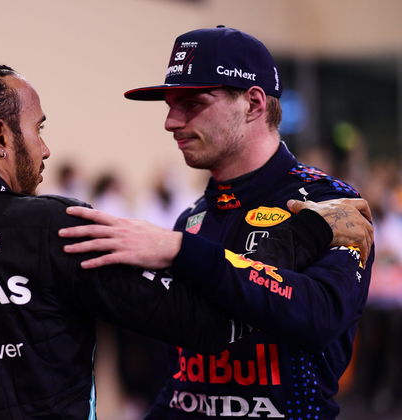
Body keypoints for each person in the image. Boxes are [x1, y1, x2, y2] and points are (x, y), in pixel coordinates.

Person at [0, 62, 370, 420]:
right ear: (0, 137)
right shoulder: (53, 228)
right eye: (38, 128)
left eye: (191, 102)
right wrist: (303, 236)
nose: (44, 151)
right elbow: (212, 325)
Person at [59, 27, 375, 419]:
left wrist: (180, 251)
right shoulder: (191, 218)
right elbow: (185, 371)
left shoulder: (332, 202)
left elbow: (320, 317)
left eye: (192, 103)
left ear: (254, 103)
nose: (171, 122)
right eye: (170, 104)